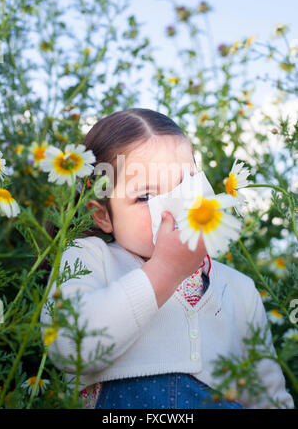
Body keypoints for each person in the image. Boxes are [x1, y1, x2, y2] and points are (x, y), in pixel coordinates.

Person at [40, 108, 294, 409]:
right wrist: (164, 271)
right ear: (103, 215)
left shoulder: (238, 290)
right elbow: (69, 347)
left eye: (185, 187)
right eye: (145, 197)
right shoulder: (87, 257)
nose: (172, 208)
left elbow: (268, 396)